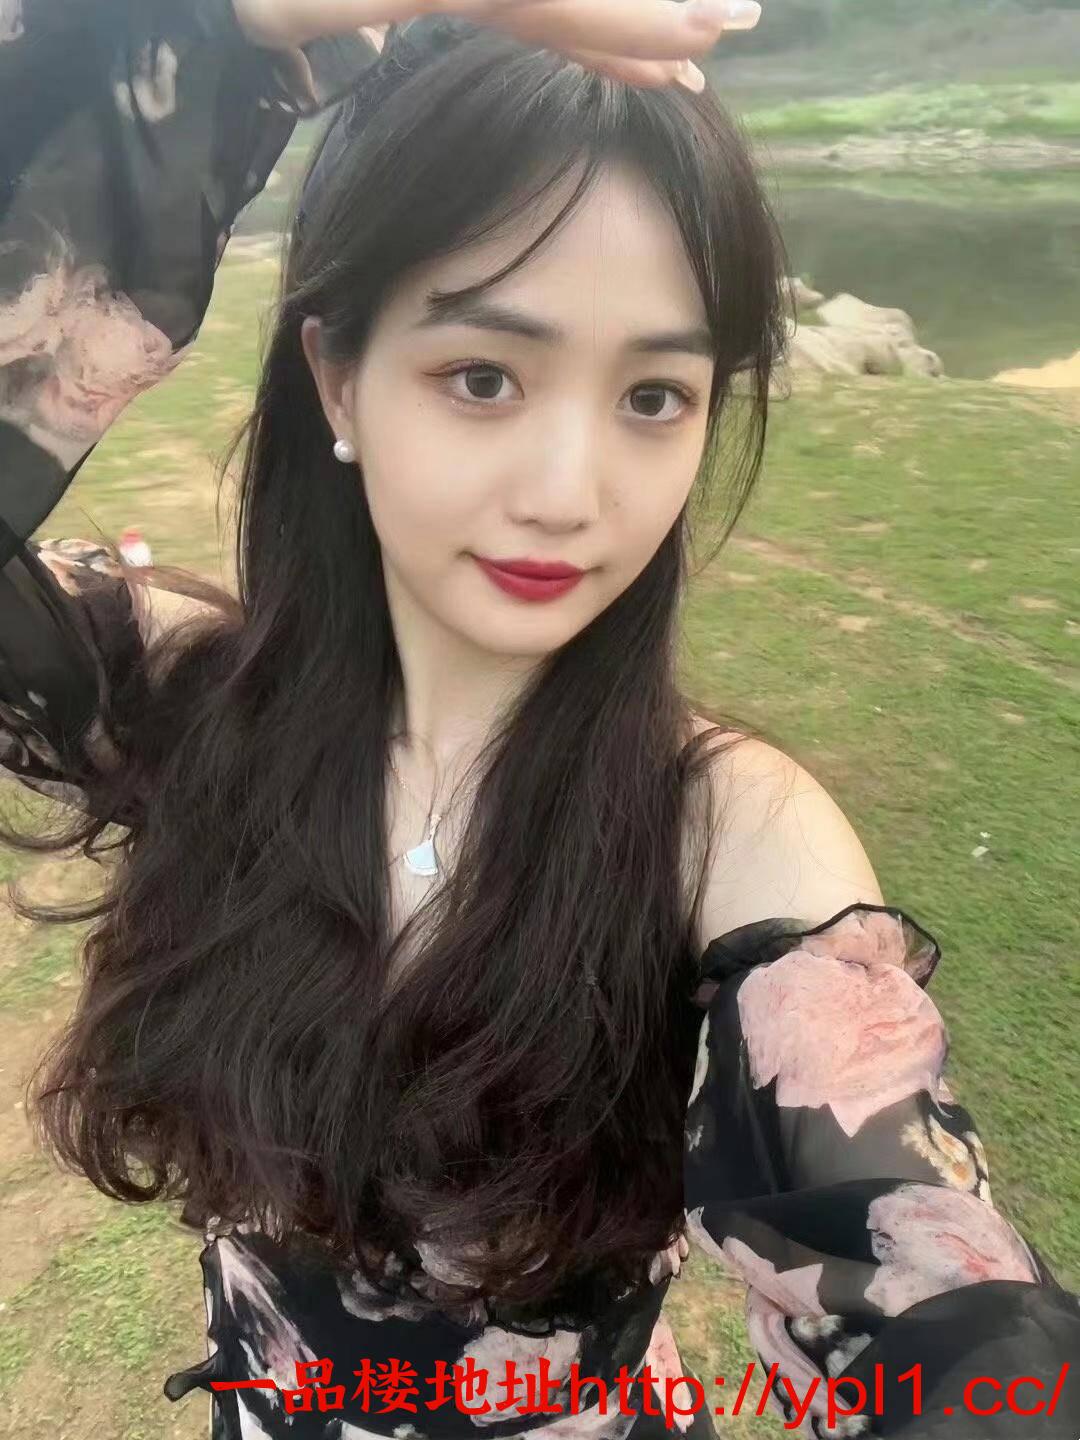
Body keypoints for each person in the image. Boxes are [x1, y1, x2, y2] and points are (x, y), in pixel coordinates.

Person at [0, 2, 1076, 1437]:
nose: (570, 493)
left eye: (654, 395)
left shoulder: (727, 835)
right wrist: (195, 35)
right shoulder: (179, 701)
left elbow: (941, 1303)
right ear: (337, 376)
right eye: (485, 376)